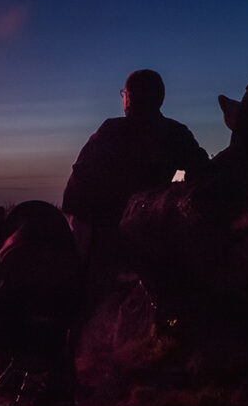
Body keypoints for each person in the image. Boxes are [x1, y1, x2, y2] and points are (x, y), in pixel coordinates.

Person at [61, 70, 209, 299]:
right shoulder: (176, 133)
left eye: (124, 94)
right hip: (151, 232)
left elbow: (77, 188)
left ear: (128, 97)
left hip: (109, 234)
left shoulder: (110, 132)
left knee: (77, 287)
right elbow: (201, 171)